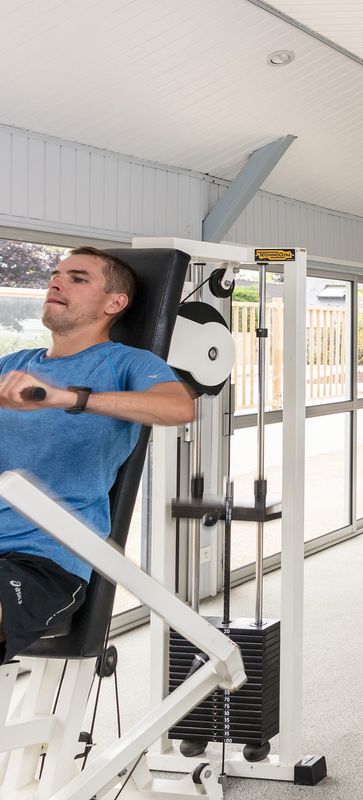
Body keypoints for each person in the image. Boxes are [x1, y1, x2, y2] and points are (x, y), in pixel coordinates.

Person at [0, 247, 194, 663]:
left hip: (41, 560)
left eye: (78, 277)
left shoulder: (127, 363)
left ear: (114, 303)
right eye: (55, 273)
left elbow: (178, 407)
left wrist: (66, 398)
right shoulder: (12, 365)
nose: (56, 281)